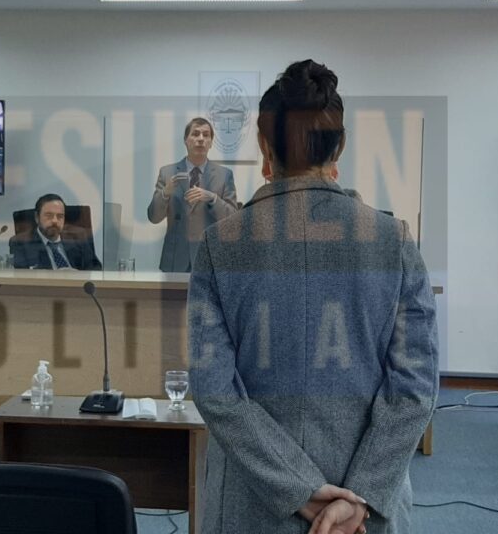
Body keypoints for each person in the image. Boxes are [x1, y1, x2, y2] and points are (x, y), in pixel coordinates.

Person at [188, 60, 439, 534]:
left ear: (264, 146)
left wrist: (298, 490)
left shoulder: (220, 246)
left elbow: (215, 391)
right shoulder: (394, 240)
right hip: (363, 512)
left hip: (253, 503)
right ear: (339, 145)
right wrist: (361, 495)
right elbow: (415, 387)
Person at [147, 117, 238, 272]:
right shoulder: (167, 172)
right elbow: (153, 217)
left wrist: (213, 198)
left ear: (211, 142)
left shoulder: (224, 175)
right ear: (185, 140)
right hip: (175, 259)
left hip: (211, 259)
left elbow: (234, 220)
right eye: (195, 134)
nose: (201, 139)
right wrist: (165, 193)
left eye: (206, 135)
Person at [9, 193, 102, 270]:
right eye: (49, 216)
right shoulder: (20, 243)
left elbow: (96, 269)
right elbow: (22, 278)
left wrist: (77, 276)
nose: (55, 221)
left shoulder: (78, 236)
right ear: (37, 218)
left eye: (60, 216)